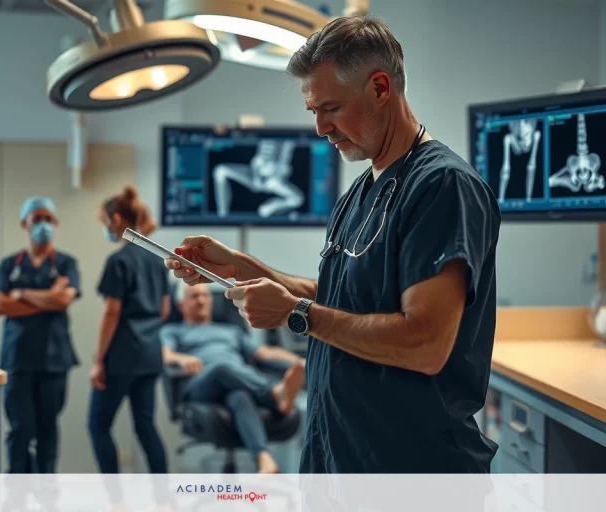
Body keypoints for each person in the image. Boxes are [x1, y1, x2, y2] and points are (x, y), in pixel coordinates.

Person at [165, 15, 502, 473]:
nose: (320, 129)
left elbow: (424, 343)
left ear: (381, 88)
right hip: (337, 458)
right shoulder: (358, 194)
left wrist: (295, 315)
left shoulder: (442, 186)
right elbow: (346, 299)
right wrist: (243, 267)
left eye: (331, 109)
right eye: (313, 112)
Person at [160, 282, 305, 474]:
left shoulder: (231, 331)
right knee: (222, 368)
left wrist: (302, 362)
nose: (202, 300)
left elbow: (264, 352)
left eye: (205, 296)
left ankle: (263, 459)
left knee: (239, 396)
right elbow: (164, 355)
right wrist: (181, 358)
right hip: (200, 384)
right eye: (194, 296)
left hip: (236, 382)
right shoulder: (173, 331)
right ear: (181, 305)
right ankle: (274, 395)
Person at [0, 196, 81, 473]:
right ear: (24, 223)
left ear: (56, 223)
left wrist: (23, 294)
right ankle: (16, 491)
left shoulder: (66, 264)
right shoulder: (9, 265)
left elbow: (64, 301)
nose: (43, 224)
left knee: (47, 430)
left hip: (54, 361)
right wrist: (48, 297)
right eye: (37, 218)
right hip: (17, 359)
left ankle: (46, 492)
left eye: (48, 219)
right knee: (20, 428)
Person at [88, 186, 169, 476]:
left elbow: (112, 313)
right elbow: (164, 311)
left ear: (117, 220)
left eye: (105, 222)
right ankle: (164, 501)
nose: (106, 228)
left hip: (121, 356)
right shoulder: (156, 259)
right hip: (149, 355)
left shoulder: (118, 261)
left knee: (98, 425)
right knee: (146, 426)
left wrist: (99, 360)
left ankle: (115, 500)